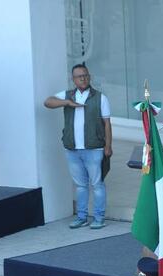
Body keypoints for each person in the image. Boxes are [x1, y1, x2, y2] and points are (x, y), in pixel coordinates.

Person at [44, 64, 112, 229]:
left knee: (97, 184)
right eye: (79, 76)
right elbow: (48, 102)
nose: (83, 78)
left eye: (85, 75)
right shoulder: (68, 95)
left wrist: (108, 146)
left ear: (89, 77)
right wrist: (67, 102)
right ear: (73, 79)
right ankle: (81, 217)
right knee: (81, 186)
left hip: (94, 148)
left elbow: (107, 124)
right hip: (73, 149)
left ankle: (99, 218)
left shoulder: (100, 97)